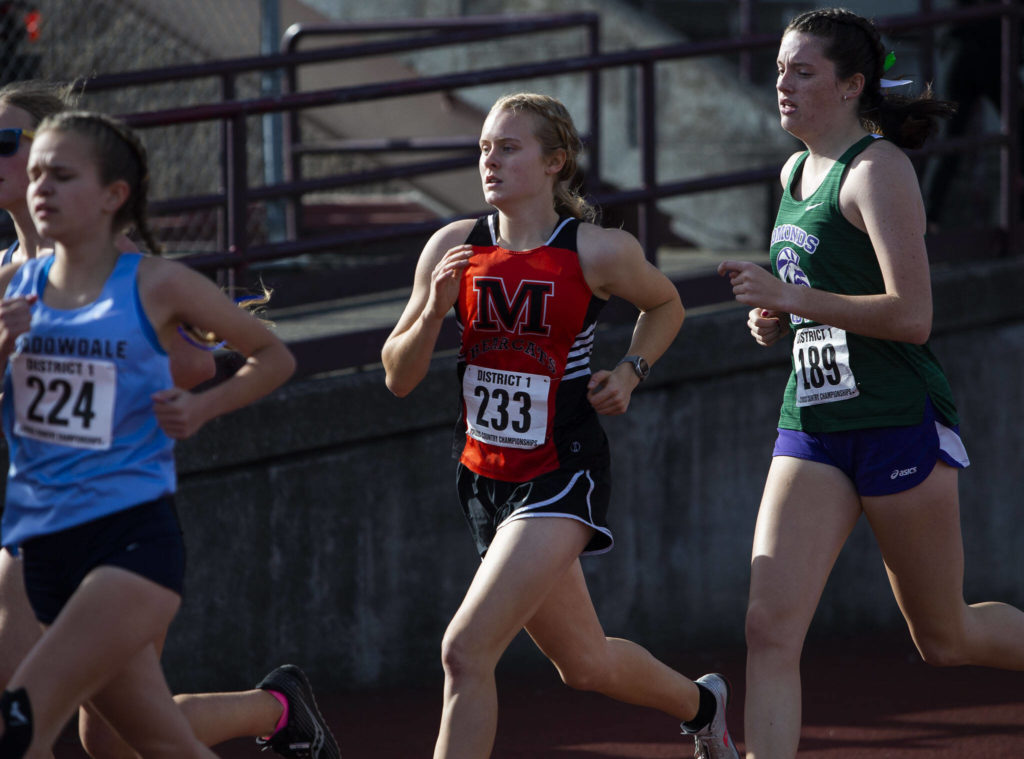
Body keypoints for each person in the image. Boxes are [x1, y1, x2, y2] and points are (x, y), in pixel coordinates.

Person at [382, 91, 738, 759]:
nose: (490, 159)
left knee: (464, 650)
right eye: (485, 146)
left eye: (509, 147)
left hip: (562, 470)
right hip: (483, 477)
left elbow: (666, 305)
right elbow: (397, 377)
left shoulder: (597, 251)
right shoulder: (451, 247)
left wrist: (631, 369)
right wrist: (431, 311)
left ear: (555, 162)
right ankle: (705, 705)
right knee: (585, 662)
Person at [717, 8, 1024, 758]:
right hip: (814, 424)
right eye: (782, 68)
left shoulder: (879, 170)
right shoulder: (796, 169)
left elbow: (913, 315)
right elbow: (817, 292)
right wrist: (779, 320)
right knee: (767, 626)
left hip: (893, 419)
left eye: (804, 72)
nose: (783, 85)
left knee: (943, 636)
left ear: (853, 85)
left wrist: (792, 299)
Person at [0, 84, 340, 759]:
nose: (35, 179)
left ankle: (275, 707)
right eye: (34, 170)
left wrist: (113, 360)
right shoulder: (9, 280)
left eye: (13, 145)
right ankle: (278, 708)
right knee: (114, 738)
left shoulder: (132, 272)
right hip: (32, 527)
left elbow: (201, 364)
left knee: (50, 726)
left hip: (121, 524)